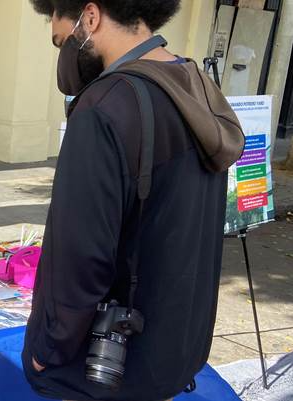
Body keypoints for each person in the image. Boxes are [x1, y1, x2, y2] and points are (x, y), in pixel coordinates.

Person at [22, 1, 245, 400]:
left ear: (90, 18)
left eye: (61, 41)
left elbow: (81, 256)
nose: (65, 56)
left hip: (114, 365)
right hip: (177, 350)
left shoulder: (104, 107)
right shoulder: (196, 85)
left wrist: (47, 350)